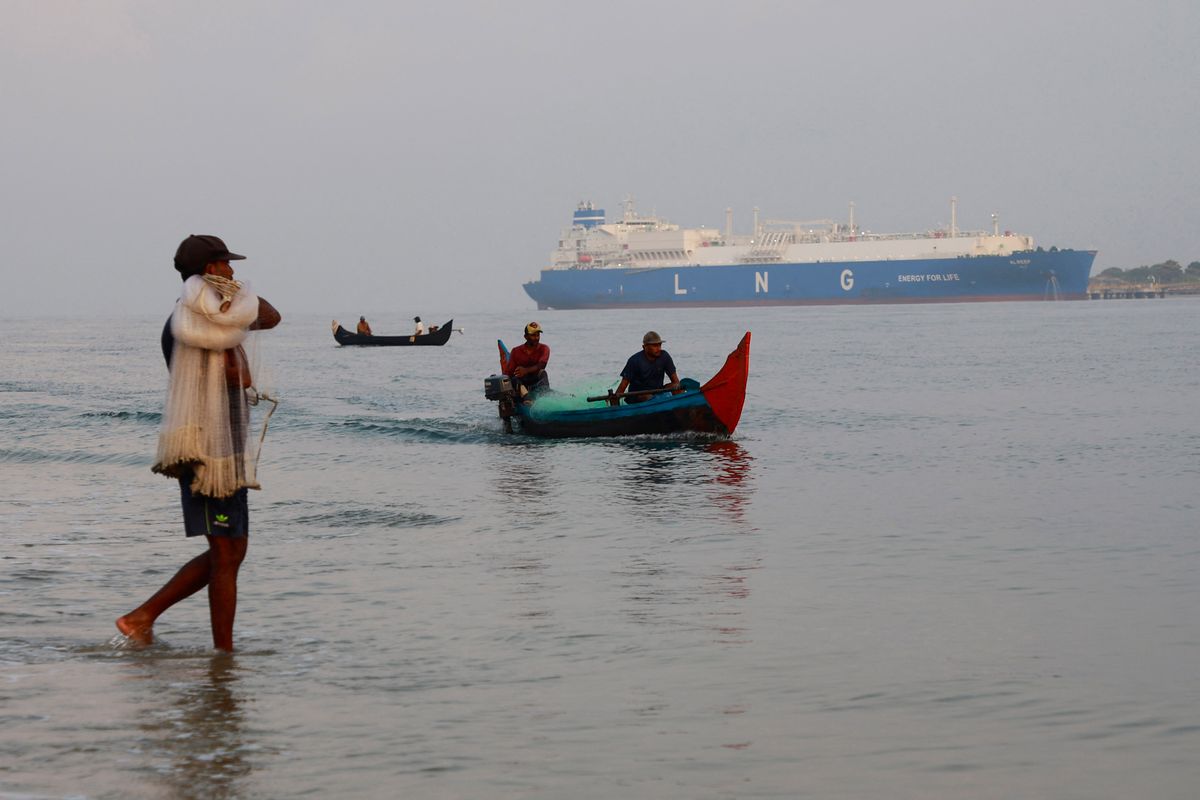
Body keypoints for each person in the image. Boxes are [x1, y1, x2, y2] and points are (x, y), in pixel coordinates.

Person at [116, 234, 281, 652]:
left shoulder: (217, 321)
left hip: (226, 448)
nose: (234, 272)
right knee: (226, 556)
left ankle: (144, 617)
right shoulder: (189, 326)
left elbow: (272, 316)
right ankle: (223, 658)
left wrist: (235, 297)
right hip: (204, 450)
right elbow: (236, 378)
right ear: (210, 270)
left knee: (232, 553)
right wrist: (228, 304)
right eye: (227, 266)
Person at [613, 330, 680, 404]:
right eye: (654, 346)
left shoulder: (664, 356)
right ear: (644, 347)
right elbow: (623, 385)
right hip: (637, 396)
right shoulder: (635, 360)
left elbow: (675, 380)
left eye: (659, 345)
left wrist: (678, 389)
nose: (658, 348)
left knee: (677, 386)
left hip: (657, 391)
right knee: (647, 396)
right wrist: (615, 404)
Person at [504, 321, 550, 394]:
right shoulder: (516, 351)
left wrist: (526, 370)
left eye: (538, 335)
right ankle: (526, 399)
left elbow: (542, 365)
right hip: (522, 384)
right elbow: (508, 373)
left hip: (537, 382)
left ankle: (545, 396)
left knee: (543, 372)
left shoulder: (544, 348)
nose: (536, 338)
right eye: (533, 335)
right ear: (525, 337)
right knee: (514, 379)